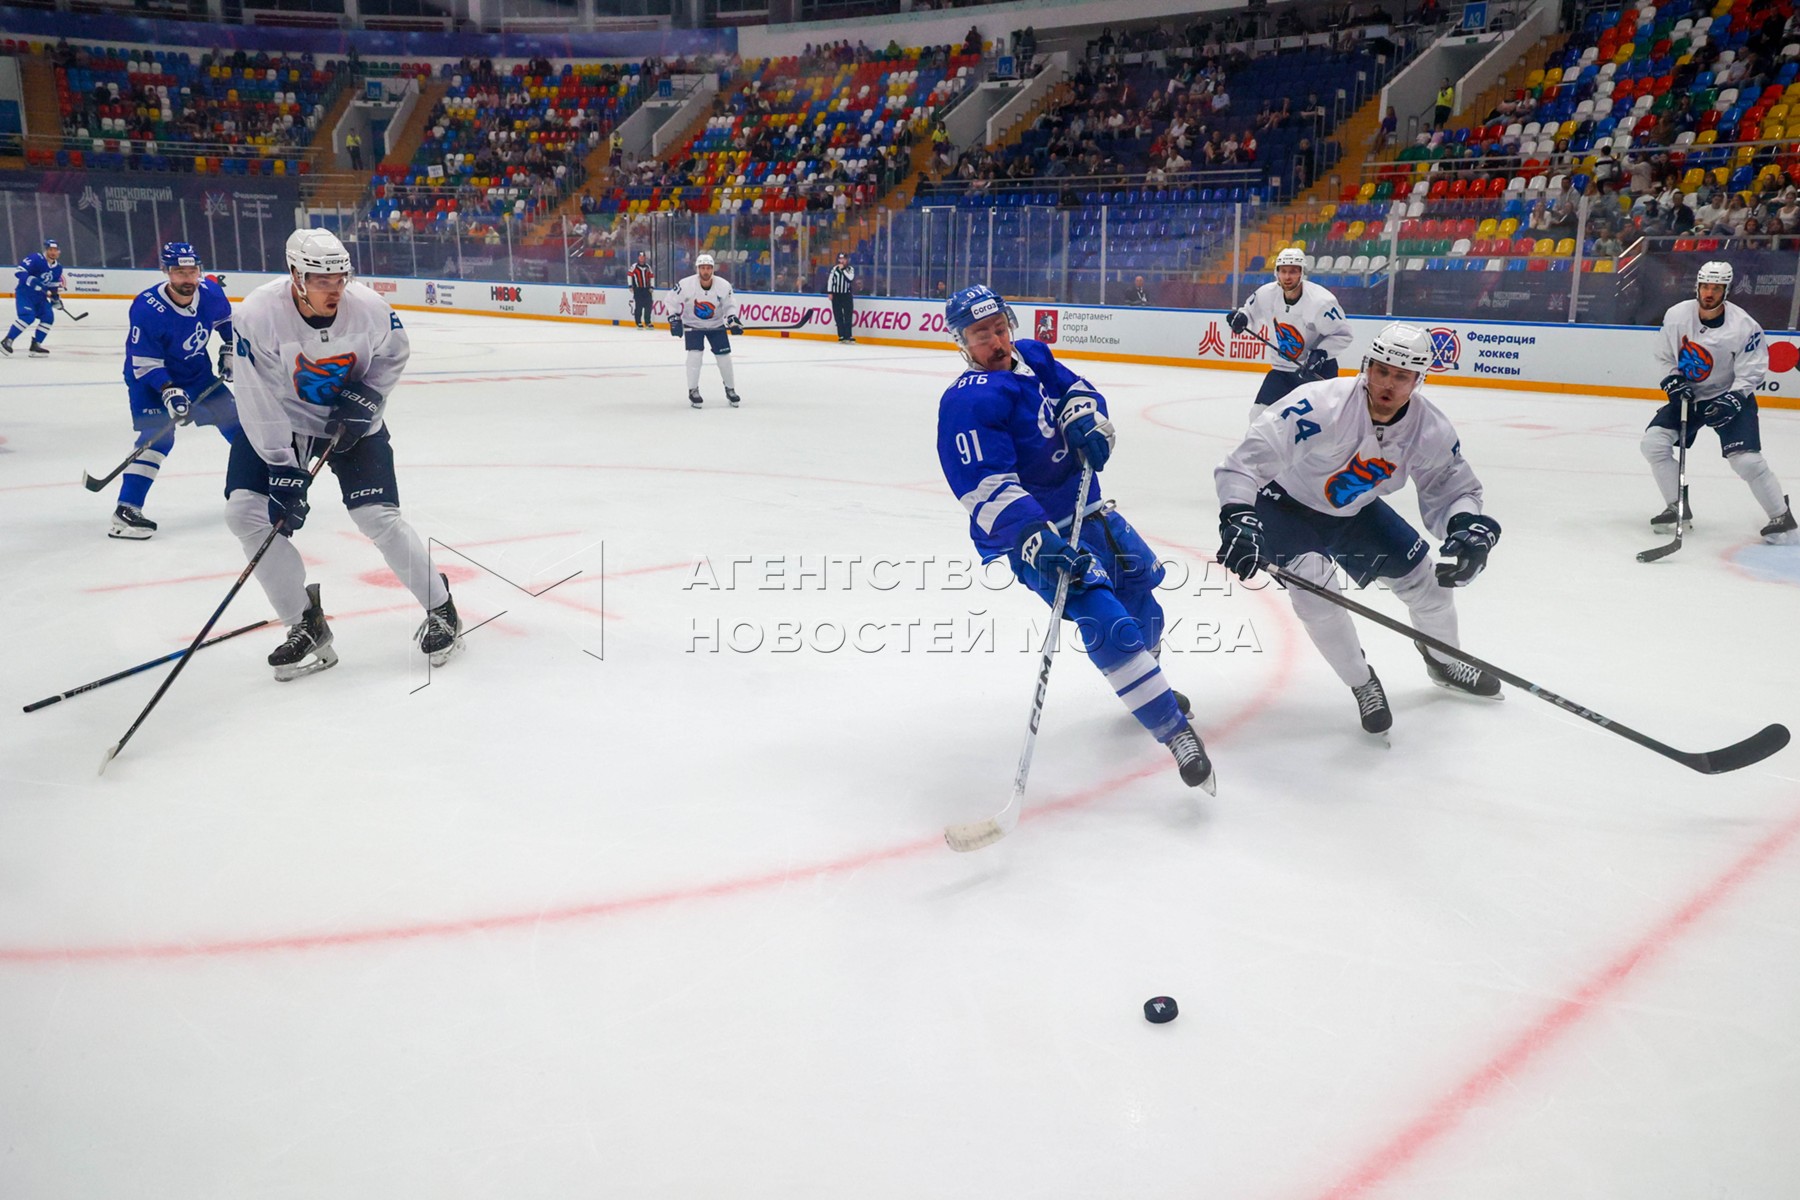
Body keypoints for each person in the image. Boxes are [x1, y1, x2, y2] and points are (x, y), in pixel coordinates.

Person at [935, 285, 1216, 792]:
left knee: (1146, 612)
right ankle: (1175, 732)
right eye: (981, 335)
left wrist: (1084, 416)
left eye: (999, 328)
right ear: (962, 342)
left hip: (1093, 513)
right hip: (1039, 536)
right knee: (1108, 621)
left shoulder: (1034, 356)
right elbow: (982, 484)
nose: (996, 342)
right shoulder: (967, 402)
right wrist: (1031, 535)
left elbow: (1078, 390)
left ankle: (1147, 689)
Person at [1214, 323, 1504, 736]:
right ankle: (1361, 681)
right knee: (1316, 591)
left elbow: (1452, 487)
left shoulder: (1429, 429)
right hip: (1282, 505)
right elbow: (1244, 462)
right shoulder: (1320, 404)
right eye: (1382, 370)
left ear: (1418, 380)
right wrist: (1238, 515)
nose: (1388, 384)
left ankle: (1444, 660)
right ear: (1368, 366)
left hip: (1353, 510)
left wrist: (1464, 526)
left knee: (1429, 586)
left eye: (1402, 376)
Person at [225, 228, 462, 680]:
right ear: (296, 276)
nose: (334, 290)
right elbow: (255, 396)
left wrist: (370, 394)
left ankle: (441, 607)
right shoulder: (259, 313)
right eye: (321, 280)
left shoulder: (370, 308)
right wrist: (281, 467)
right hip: (282, 420)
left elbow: (395, 352)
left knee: (377, 517)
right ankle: (303, 622)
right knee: (245, 514)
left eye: (340, 279)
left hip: (352, 425)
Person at [1642, 261, 1795, 540]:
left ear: (1726, 290)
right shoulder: (1677, 315)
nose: (1709, 293)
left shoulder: (1744, 326)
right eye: (1705, 286)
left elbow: (1751, 370)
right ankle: (1677, 506)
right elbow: (1664, 355)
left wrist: (1733, 398)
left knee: (1746, 461)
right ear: (1697, 287)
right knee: (1654, 443)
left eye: (1716, 288)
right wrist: (1673, 380)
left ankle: (1780, 515)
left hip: (1729, 395)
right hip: (1690, 395)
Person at [109, 243, 241, 540]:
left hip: (197, 375)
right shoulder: (147, 308)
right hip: (149, 380)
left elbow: (226, 323)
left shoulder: (211, 293)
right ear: (165, 271)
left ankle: (256, 491)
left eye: (192, 271)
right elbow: (144, 362)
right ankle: (125, 510)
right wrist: (169, 390)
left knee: (239, 428)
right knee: (158, 438)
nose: (187, 278)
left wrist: (231, 348)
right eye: (179, 272)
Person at [1226, 248, 1354, 411]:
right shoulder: (1266, 294)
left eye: (1293, 271)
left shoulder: (1321, 301)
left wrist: (1321, 352)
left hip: (1316, 371)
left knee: (1319, 421)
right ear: (1277, 272)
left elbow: (1343, 334)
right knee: (1259, 415)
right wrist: (1241, 318)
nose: (1287, 277)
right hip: (1282, 370)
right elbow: (1249, 311)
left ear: (1302, 273)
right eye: (1283, 271)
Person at [668, 252, 742, 408]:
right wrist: (674, 318)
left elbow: (729, 305)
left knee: (724, 358)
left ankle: (730, 389)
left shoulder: (723, 285)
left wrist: (732, 319)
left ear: (713, 269)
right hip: (693, 325)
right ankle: (693, 390)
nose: (706, 271)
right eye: (702, 268)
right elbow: (670, 301)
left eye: (708, 268)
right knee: (695, 356)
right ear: (697, 269)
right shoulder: (686, 284)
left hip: (716, 325)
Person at [3, 239, 64, 356]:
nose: (53, 252)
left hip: (40, 298)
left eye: (55, 250)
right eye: (50, 250)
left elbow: (53, 285)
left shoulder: (58, 268)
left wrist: (55, 298)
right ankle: (7, 340)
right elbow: (19, 271)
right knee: (27, 317)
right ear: (45, 250)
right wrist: (31, 280)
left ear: (59, 252)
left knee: (48, 317)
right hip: (25, 294)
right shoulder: (35, 258)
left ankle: (36, 345)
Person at [827, 252, 856, 343]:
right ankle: (841, 335)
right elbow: (830, 281)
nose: (842, 261)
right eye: (840, 259)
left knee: (848, 315)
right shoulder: (834, 269)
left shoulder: (850, 269)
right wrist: (830, 292)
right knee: (838, 315)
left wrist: (843, 269)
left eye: (843, 259)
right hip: (836, 295)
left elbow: (850, 279)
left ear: (847, 260)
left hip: (846, 295)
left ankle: (848, 335)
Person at [627, 251, 655, 329]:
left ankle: (647, 322)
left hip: (647, 289)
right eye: (640, 257)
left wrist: (652, 286)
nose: (642, 258)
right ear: (638, 258)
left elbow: (652, 276)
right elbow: (629, 275)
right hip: (638, 289)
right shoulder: (634, 266)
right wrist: (630, 286)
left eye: (643, 257)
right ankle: (638, 322)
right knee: (639, 306)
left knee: (648, 306)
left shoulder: (648, 267)